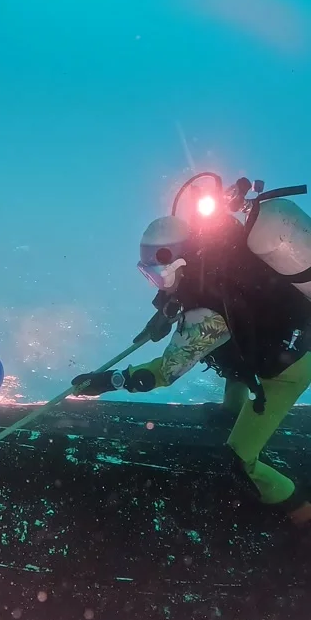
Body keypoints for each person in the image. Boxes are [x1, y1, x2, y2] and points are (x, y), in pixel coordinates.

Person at [73, 209, 311, 527]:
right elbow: (184, 293)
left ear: (181, 263)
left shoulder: (206, 316)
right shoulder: (216, 262)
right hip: (286, 333)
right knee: (230, 353)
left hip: (290, 369)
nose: (156, 283)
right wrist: (163, 314)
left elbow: (164, 372)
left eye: (157, 275)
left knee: (240, 461)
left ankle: (298, 508)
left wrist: (108, 380)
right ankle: (231, 409)